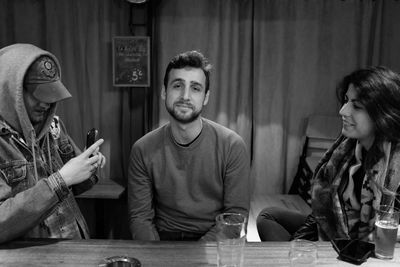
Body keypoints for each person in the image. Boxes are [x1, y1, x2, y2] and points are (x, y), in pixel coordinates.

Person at [257, 66, 400, 241]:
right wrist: (299, 241)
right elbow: (327, 206)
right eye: (346, 101)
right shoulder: (347, 148)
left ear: (382, 114)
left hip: (369, 247)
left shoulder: (394, 166)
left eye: (356, 106)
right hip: (338, 228)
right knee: (268, 216)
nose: (343, 111)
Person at [127, 50, 250, 241]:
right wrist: (155, 256)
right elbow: (140, 218)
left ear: (206, 97)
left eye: (195, 88)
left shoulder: (232, 146)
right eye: (177, 85)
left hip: (215, 241)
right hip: (163, 241)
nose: (185, 96)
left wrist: (196, 255)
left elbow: (235, 217)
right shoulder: (142, 149)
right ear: (164, 92)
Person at [0, 43, 106, 243]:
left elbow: (75, 187)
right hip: (33, 257)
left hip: (74, 245)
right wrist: (60, 180)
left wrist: (87, 166)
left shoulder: (54, 127)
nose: (46, 103)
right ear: (10, 91)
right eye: (38, 95)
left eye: (50, 95)